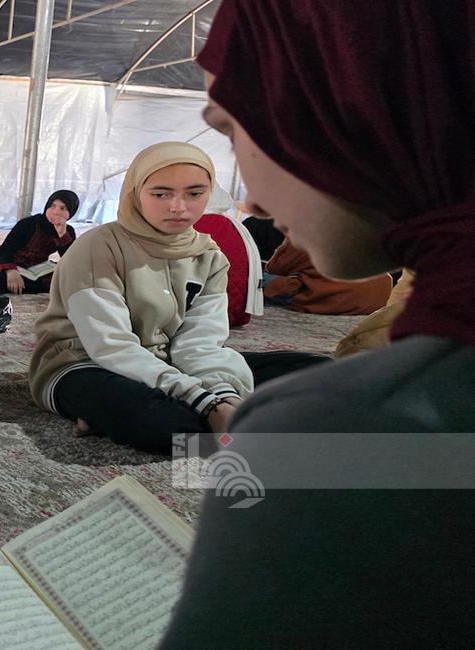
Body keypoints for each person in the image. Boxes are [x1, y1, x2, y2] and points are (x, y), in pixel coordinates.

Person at [161, 2, 475, 646]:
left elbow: (216, 324)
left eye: (236, 128)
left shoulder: (361, 425)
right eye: (163, 193)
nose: (250, 197)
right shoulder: (102, 248)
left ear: (353, 106)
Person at [28, 142, 327, 453]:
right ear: (136, 193)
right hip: (86, 361)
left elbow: (200, 341)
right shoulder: (98, 248)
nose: (178, 207)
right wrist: (207, 404)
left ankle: (213, 418)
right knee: (161, 423)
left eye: (195, 194)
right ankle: (229, 419)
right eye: (161, 194)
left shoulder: (209, 255)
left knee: (321, 373)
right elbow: (111, 345)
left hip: (170, 358)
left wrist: (224, 396)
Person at [262, 238, 392, 314]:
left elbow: (275, 267)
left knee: (256, 278)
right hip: (378, 296)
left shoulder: (308, 227)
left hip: (334, 295)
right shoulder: (364, 225)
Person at [0, 190, 78, 295]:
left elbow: (70, 261)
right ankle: (38, 286)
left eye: (63, 208)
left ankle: (27, 285)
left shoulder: (68, 231)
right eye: (52, 206)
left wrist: (62, 234)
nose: (55, 212)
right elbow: (4, 250)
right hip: (9, 264)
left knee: (70, 276)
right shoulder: (28, 224)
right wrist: (11, 271)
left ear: (71, 212)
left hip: (35, 269)